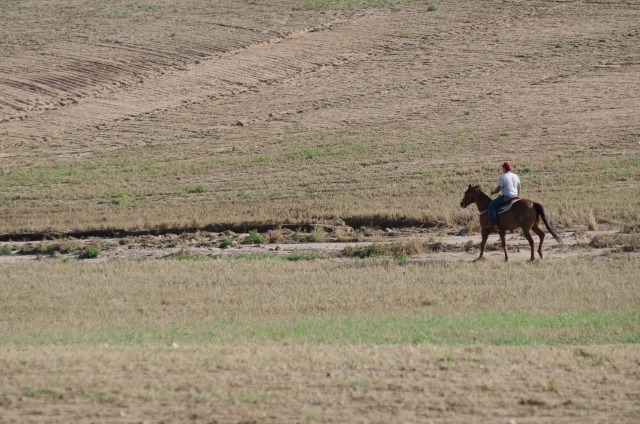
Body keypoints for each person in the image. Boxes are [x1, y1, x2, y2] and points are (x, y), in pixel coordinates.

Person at [488, 161, 521, 229]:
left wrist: (493, 192)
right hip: (515, 196)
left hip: (506, 197)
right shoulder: (516, 176)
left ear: (504, 168)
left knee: (491, 205)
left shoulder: (502, 177)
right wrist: (518, 195)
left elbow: (498, 189)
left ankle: (494, 223)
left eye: (502, 168)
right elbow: (519, 187)